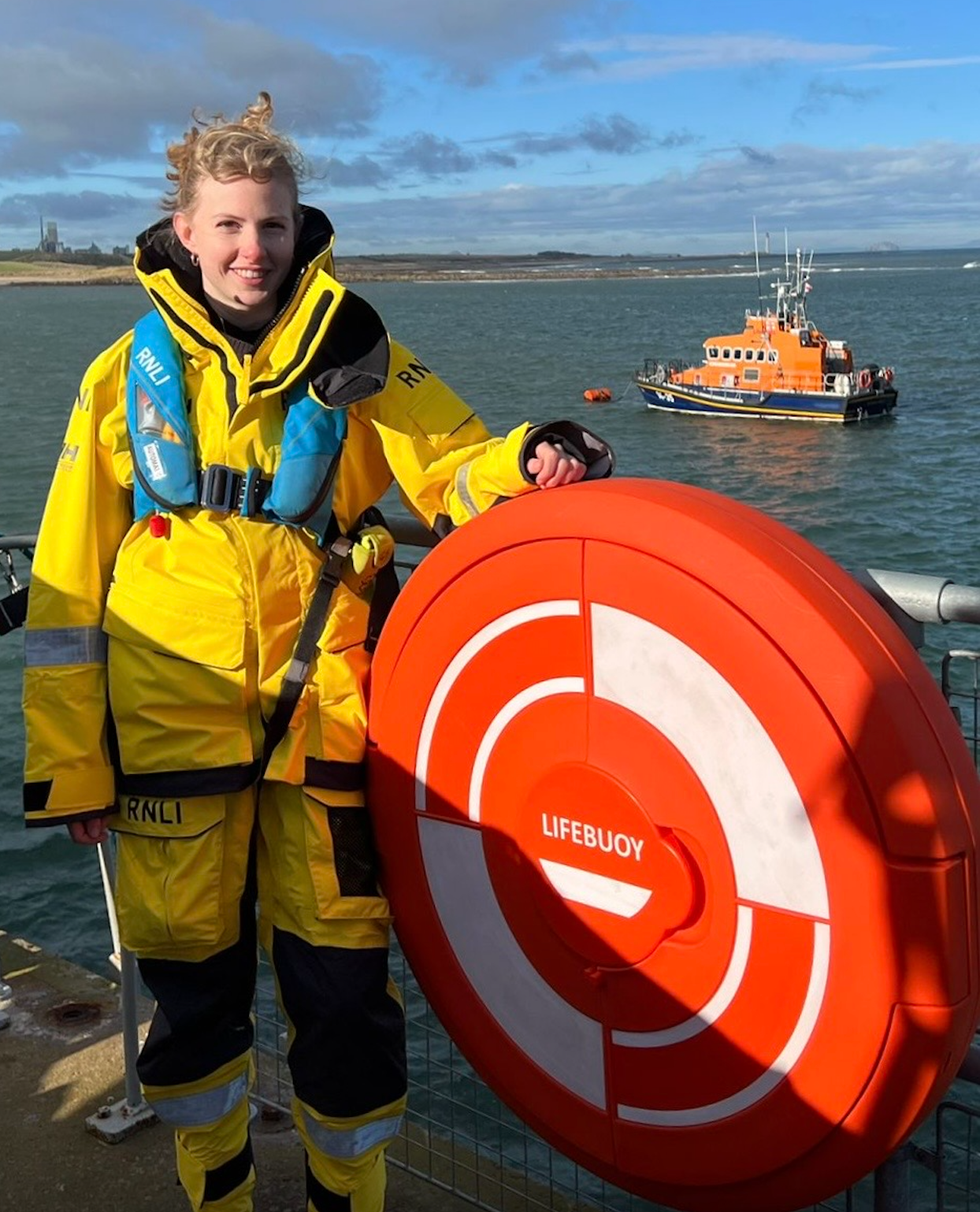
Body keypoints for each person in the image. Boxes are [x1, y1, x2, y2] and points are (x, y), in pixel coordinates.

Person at [21, 93, 613, 1212]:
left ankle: (354, 1194)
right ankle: (220, 1191)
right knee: (192, 994)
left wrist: (534, 454)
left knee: (342, 992)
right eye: (231, 226)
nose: (253, 250)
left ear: (302, 233)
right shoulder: (115, 378)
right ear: (184, 233)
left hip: (325, 719)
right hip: (162, 741)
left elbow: (452, 464)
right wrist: (70, 765)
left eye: (273, 227)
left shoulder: (361, 351)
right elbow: (64, 587)